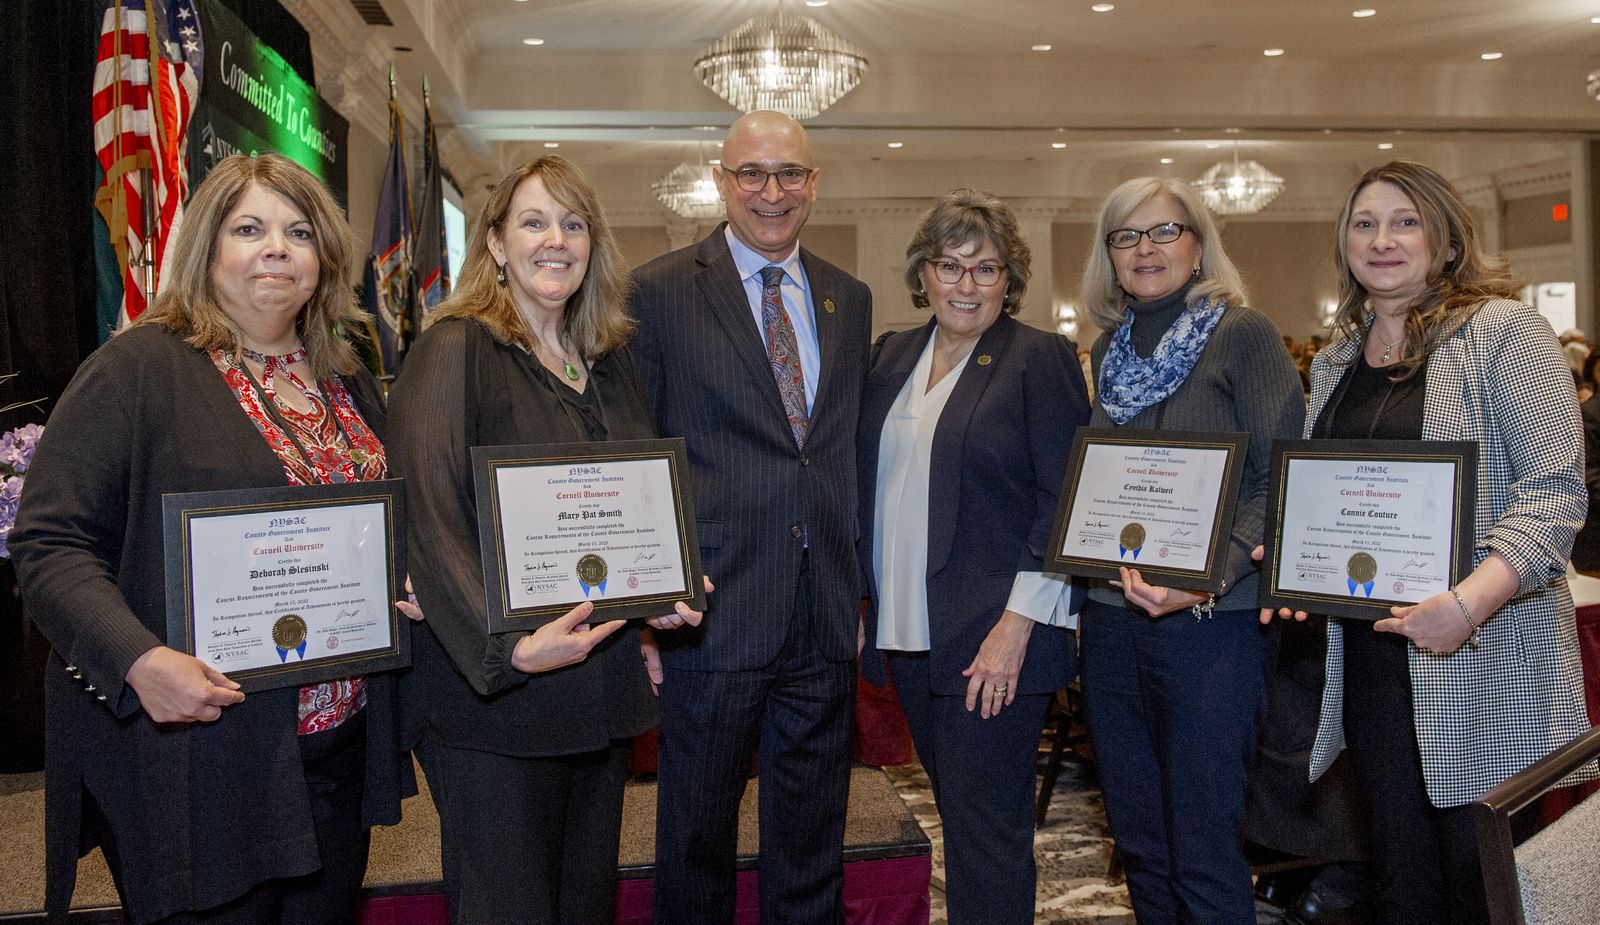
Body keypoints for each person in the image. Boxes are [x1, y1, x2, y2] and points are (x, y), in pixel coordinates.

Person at [11, 153, 408, 924]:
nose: (277, 249)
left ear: (323, 259)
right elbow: (49, 541)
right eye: (249, 228)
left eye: (299, 232)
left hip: (336, 749)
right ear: (206, 247)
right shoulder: (137, 368)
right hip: (203, 757)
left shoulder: (344, 375)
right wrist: (138, 659)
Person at [1260, 160, 1594, 925]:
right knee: (1402, 879)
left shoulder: (1506, 333)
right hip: (1373, 663)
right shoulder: (1341, 355)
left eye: (1405, 221)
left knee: (1482, 887)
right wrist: (1288, 554)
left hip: (1482, 653)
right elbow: (1334, 491)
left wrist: (1467, 605)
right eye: (1365, 223)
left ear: (1447, 242)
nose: (1383, 240)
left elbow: (1553, 492)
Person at [385, 155, 701, 924]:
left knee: (583, 904)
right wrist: (511, 650)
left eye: (572, 223)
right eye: (532, 221)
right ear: (494, 243)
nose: (554, 239)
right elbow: (427, 517)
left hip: (596, 692)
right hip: (494, 703)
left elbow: (631, 506)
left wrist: (659, 591)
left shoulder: (608, 359)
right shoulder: (453, 346)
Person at [628, 110, 872, 925]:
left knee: (812, 843)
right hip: (712, 612)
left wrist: (857, 590)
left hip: (823, 619)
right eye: (752, 175)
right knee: (695, 843)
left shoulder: (850, 297)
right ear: (721, 181)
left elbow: (838, 454)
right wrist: (646, 613)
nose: (773, 193)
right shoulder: (657, 292)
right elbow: (640, 456)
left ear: (815, 183)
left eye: (790, 174)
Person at [1076, 177, 1304, 923]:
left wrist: (1206, 578)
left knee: (1205, 846)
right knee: (1141, 841)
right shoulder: (1109, 348)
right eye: (1126, 236)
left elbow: (1279, 479)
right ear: (1109, 254)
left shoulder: (1243, 332)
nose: (1146, 249)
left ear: (1198, 243)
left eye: (1164, 231)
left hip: (1213, 627)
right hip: (1113, 622)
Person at [857, 189, 1088, 924]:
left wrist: (1015, 627)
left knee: (986, 836)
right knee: (959, 820)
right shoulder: (891, 354)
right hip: (911, 632)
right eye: (950, 266)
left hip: (993, 642)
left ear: (1009, 279)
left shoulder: (1037, 358)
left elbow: (1064, 501)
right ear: (923, 273)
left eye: (986, 269)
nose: (966, 284)